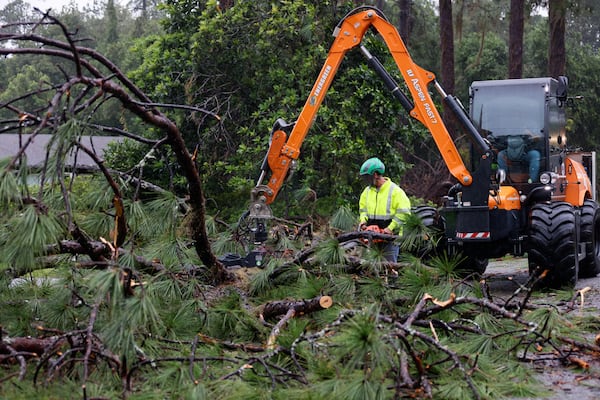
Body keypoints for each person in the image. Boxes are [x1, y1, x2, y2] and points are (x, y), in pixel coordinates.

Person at [358, 157, 411, 262]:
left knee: (390, 267)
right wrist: (363, 222)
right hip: (373, 237)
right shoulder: (367, 191)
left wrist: (390, 228)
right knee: (373, 269)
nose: (366, 180)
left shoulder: (395, 191)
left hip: (390, 238)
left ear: (376, 174)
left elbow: (404, 213)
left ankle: (393, 278)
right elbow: (363, 210)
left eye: (368, 177)